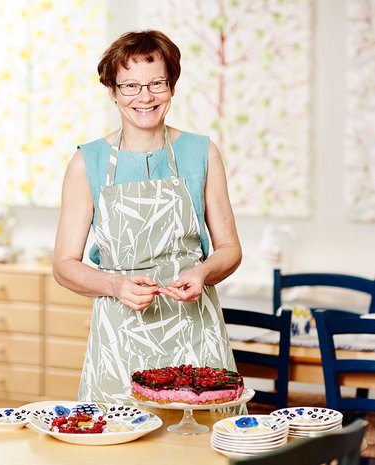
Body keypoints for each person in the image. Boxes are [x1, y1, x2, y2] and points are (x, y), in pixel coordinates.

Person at [53, 30, 242, 403]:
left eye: (157, 83)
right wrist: (115, 285)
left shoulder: (203, 152)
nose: (145, 97)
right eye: (130, 86)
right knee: (117, 436)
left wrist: (202, 273)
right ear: (113, 91)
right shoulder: (86, 162)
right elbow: (63, 265)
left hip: (194, 331)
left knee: (198, 437)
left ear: (172, 87)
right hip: (119, 337)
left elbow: (230, 249)